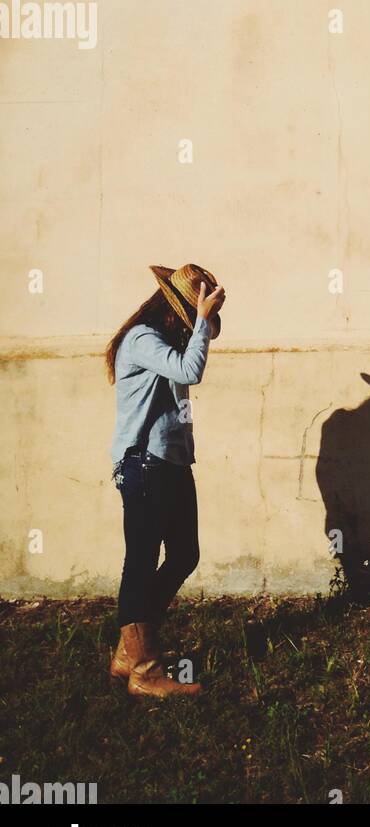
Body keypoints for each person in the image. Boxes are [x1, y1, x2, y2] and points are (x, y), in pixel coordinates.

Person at [104, 264, 225, 698]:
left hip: (170, 462)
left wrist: (207, 318)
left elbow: (203, 344)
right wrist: (202, 323)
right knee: (139, 561)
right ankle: (144, 671)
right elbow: (190, 370)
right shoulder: (142, 339)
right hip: (144, 463)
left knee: (185, 554)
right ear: (172, 310)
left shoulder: (166, 339)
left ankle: (128, 650)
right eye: (191, 314)